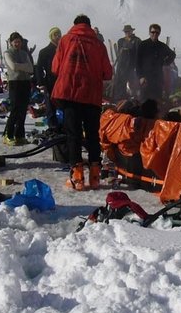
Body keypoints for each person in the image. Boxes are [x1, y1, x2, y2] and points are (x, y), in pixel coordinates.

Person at [51, 14, 113, 191]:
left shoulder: (65, 40)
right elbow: (108, 73)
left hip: (71, 94)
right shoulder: (99, 44)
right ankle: (95, 177)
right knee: (93, 135)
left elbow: (55, 67)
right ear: (89, 25)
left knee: (73, 135)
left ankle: (77, 179)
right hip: (92, 96)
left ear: (75, 25)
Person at [2, 32, 34, 146]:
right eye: (15, 41)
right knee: (15, 109)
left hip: (25, 82)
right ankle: (8, 135)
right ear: (11, 42)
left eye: (19, 41)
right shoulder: (7, 53)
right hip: (14, 83)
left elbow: (31, 69)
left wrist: (22, 66)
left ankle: (19, 135)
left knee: (23, 110)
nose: (17, 44)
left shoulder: (24, 54)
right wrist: (24, 66)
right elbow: (13, 66)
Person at [136, 23, 175, 102]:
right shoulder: (143, 45)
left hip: (157, 78)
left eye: (157, 32)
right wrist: (140, 76)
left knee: (157, 102)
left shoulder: (162, 46)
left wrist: (165, 63)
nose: (154, 34)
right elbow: (137, 62)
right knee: (144, 101)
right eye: (153, 32)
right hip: (145, 78)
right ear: (149, 32)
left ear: (159, 33)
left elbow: (172, 54)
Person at [35, 27, 61, 126]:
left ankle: (62, 126)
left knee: (62, 105)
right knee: (51, 106)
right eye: (55, 34)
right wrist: (41, 82)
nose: (58, 36)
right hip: (50, 81)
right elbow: (39, 68)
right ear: (51, 37)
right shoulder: (44, 51)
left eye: (59, 34)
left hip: (62, 81)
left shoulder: (63, 50)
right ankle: (53, 127)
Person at [111, 24, 140, 101]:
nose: (127, 33)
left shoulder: (137, 40)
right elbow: (119, 53)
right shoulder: (121, 41)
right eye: (125, 32)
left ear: (131, 31)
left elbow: (138, 54)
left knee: (132, 85)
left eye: (128, 31)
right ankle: (118, 100)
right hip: (121, 66)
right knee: (119, 83)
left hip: (131, 66)